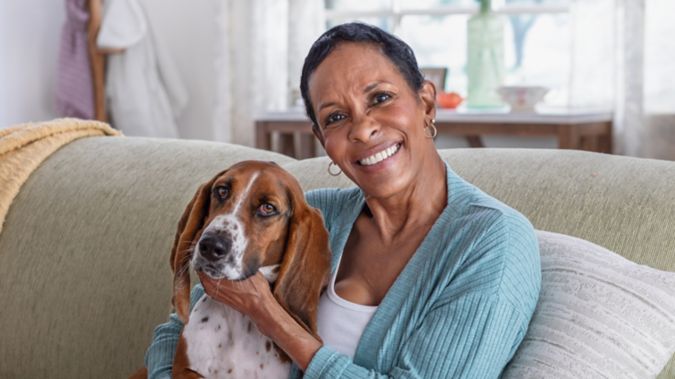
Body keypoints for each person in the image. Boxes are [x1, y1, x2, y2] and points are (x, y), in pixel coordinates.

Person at [144, 22, 541, 378]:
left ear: (426, 104)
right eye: (335, 117)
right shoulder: (316, 216)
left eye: (381, 98)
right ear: (323, 141)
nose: (364, 129)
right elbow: (180, 325)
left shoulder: (493, 242)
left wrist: (267, 314)